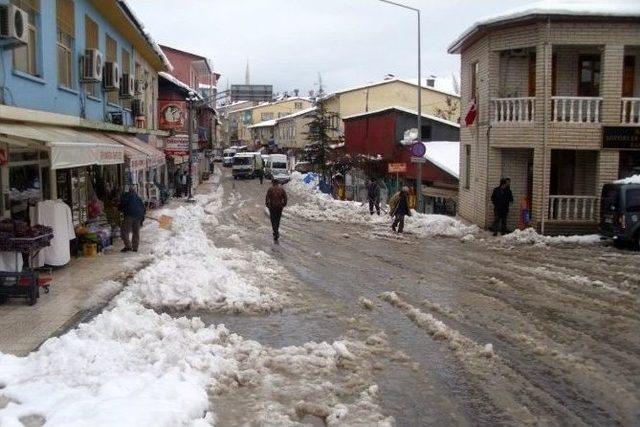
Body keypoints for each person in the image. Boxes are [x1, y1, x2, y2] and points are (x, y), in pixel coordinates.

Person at [119, 186, 146, 253]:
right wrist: (142, 216)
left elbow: (122, 205)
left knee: (124, 231)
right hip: (138, 216)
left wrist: (119, 208)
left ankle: (128, 246)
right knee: (136, 232)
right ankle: (135, 247)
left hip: (129, 216)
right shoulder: (138, 198)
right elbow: (143, 208)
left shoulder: (126, 196)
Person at [265, 178, 288, 244]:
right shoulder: (281, 189)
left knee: (273, 219)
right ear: (278, 183)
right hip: (279, 207)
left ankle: (275, 232)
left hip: (272, 207)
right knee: (278, 219)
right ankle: (276, 230)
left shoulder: (270, 189)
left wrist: (267, 204)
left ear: (273, 183)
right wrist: (284, 204)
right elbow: (285, 197)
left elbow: (267, 197)